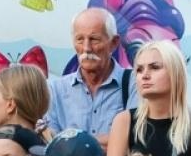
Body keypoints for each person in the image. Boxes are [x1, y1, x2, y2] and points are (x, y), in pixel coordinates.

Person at [45, 8, 134, 148]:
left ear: (114, 43)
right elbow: (53, 146)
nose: (86, 48)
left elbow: (134, 138)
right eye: (80, 39)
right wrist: (114, 142)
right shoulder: (55, 90)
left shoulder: (133, 84)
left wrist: (72, 143)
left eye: (94, 39)